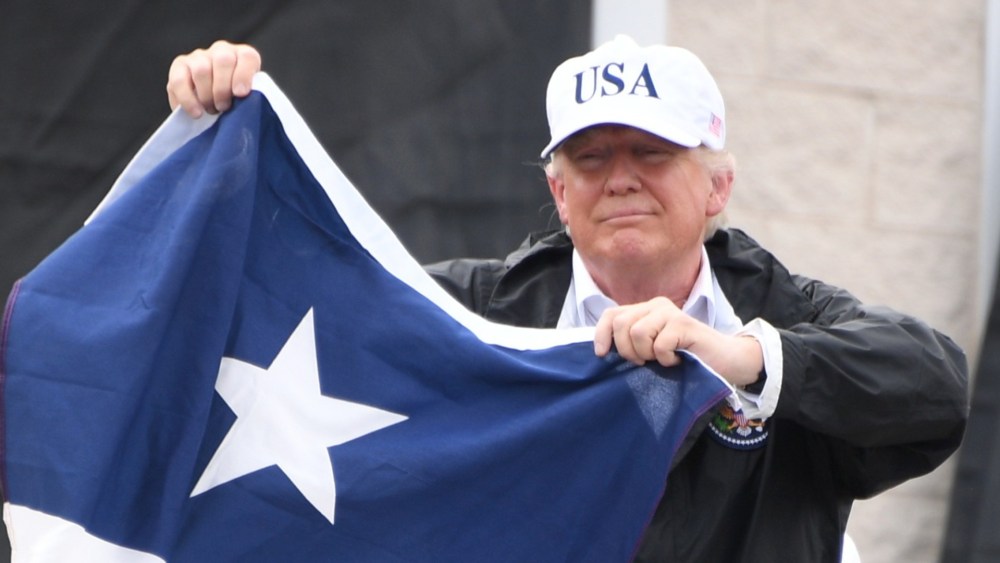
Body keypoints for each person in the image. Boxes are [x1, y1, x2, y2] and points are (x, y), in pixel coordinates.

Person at [166, 36, 969, 562]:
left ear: (717, 187)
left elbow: (935, 386)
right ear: (558, 192)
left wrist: (742, 358)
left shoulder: (781, 317)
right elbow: (277, 307)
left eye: (651, 152)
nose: (619, 178)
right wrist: (218, 135)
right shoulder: (470, 314)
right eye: (590, 157)